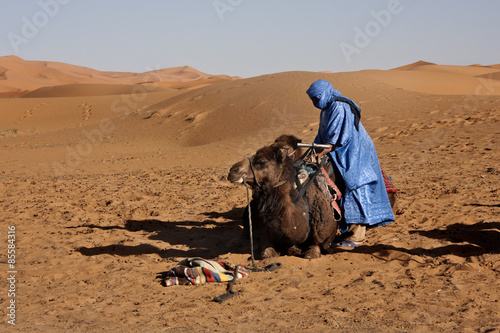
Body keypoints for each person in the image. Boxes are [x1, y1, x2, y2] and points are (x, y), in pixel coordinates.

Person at [306, 79, 394, 249]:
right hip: (340, 153)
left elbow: (335, 139)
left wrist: (319, 153)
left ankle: (356, 237)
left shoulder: (339, 106)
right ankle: (346, 233)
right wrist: (312, 151)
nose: (314, 103)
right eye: (312, 100)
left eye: (316, 98)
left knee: (355, 187)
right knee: (340, 188)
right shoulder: (326, 109)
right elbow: (321, 136)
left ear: (324, 94)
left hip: (355, 153)